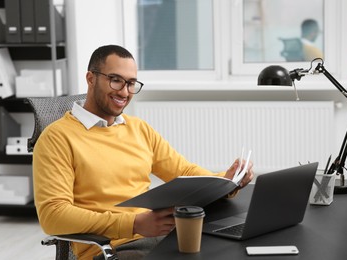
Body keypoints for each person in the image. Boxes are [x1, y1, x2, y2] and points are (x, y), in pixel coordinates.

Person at [33, 45, 254, 260]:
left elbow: (183, 171)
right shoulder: (57, 138)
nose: (125, 91)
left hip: (164, 235)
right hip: (114, 248)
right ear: (91, 78)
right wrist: (135, 224)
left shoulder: (138, 128)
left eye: (131, 83)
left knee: (238, 247)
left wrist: (226, 182)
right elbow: (53, 215)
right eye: (116, 80)